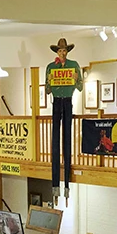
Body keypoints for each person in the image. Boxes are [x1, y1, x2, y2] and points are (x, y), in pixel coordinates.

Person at [45, 38, 83, 201]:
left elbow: (80, 87)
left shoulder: (74, 65)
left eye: (64, 50)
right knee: (55, 141)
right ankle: (55, 188)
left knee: (67, 139)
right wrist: (48, 82)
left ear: (67, 52)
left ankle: (66, 186)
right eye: (60, 51)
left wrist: (75, 78)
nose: (62, 53)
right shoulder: (50, 67)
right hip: (56, 102)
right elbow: (47, 90)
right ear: (57, 52)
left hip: (68, 101)